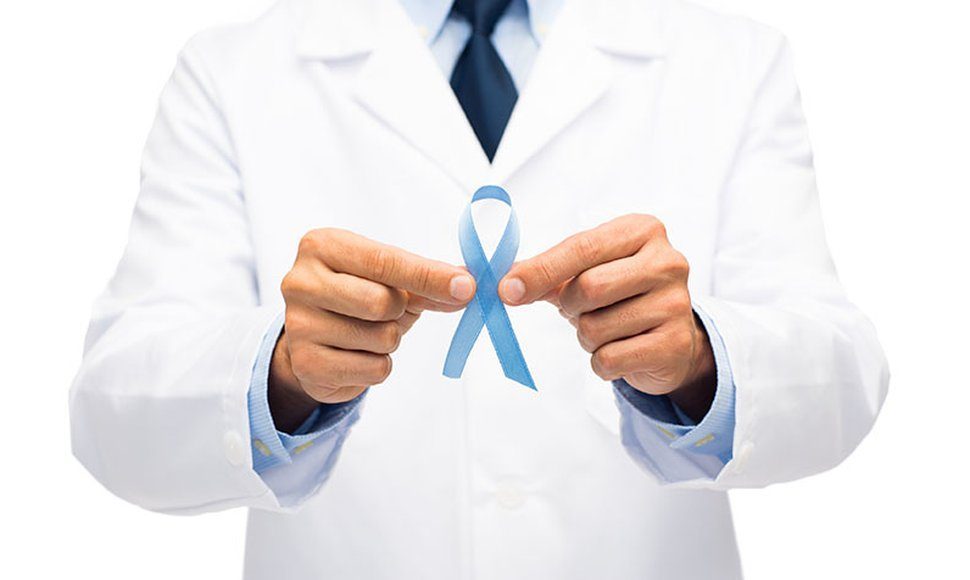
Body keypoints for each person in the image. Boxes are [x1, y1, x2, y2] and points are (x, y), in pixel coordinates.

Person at [69, 0, 889, 578]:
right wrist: (279, 375)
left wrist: (701, 364)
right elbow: (116, 412)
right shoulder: (231, 72)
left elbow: (840, 378)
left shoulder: (735, 61)